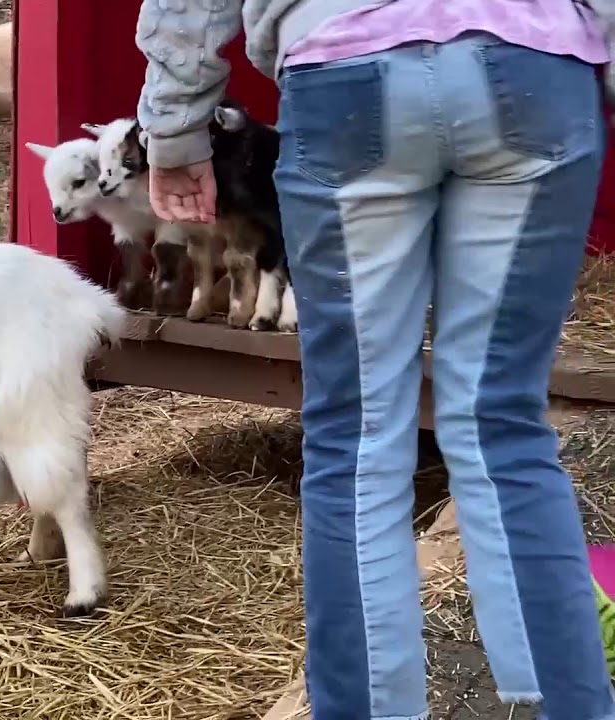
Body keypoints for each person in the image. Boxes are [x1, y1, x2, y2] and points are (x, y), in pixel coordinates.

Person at [134, 1, 615, 718]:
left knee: (357, 436)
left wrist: (173, 126)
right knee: (502, 428)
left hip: (346, 67)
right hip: (534, 65)